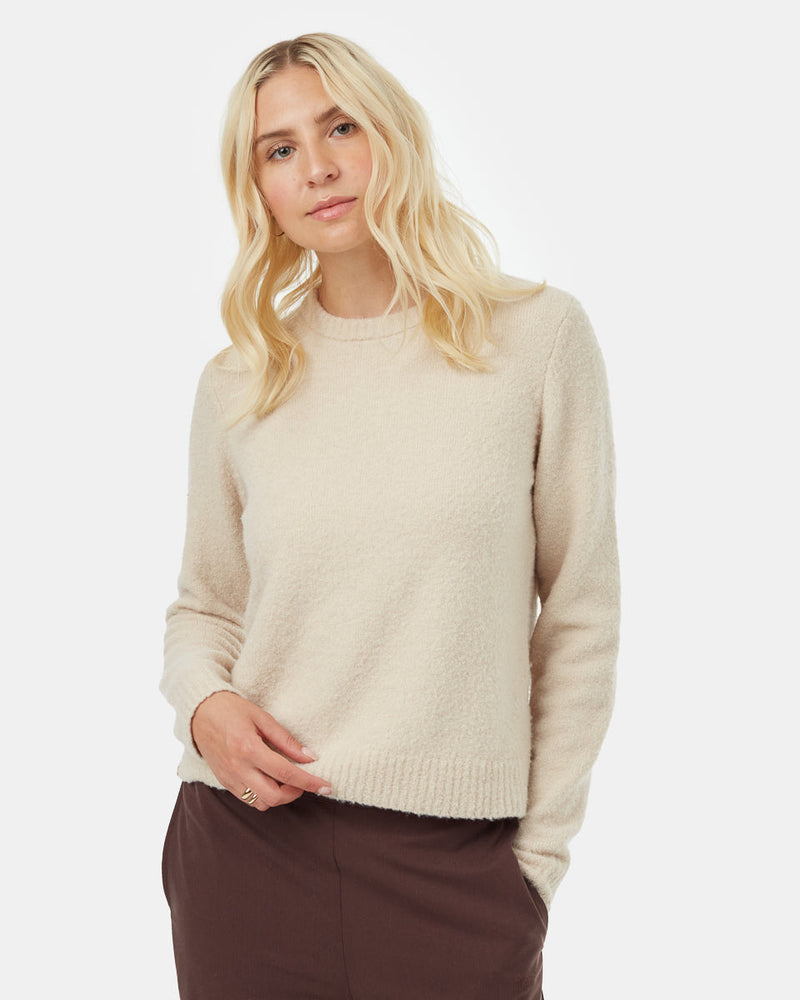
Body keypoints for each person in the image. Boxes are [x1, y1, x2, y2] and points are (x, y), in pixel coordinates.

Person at [159, 31, 620, 1000]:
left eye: (341, 127)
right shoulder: (239, 381)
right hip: (246, 852)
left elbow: (579, 616)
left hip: (456, 875)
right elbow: (206, 605)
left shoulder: (536, 340)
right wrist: (203, 707)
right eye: (278, 148)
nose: (317, 167)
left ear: (393, 134)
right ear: (258, 187)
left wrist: (533, 867)